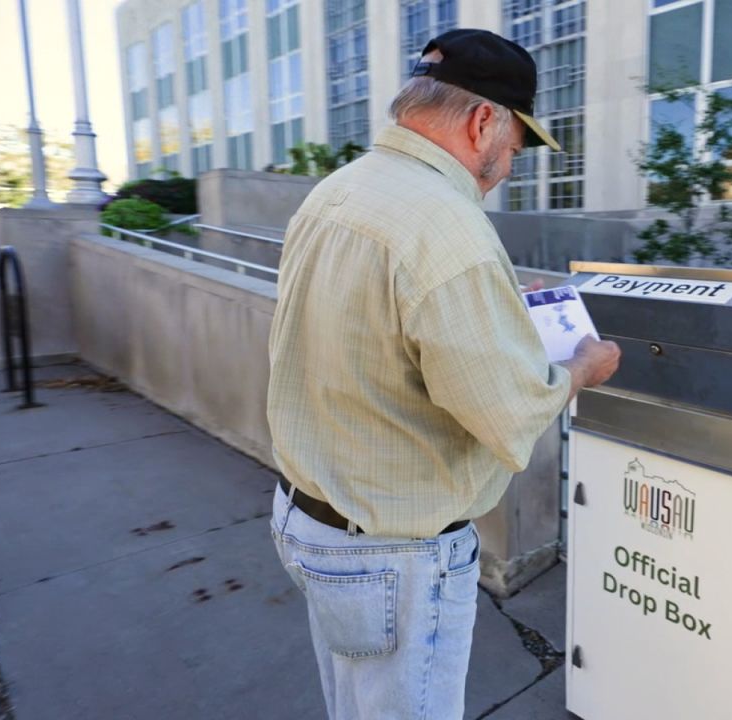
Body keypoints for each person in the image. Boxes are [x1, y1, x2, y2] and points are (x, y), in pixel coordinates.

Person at [266, 29, 620, 720]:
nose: (507, 168)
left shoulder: (340, 190)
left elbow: (385, 321)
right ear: (484, 119)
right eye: (515, 148)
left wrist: (493, 312)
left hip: (309, 523)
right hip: (394, 556)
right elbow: (508, 409)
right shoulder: (447, 225)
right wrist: (582, 367)